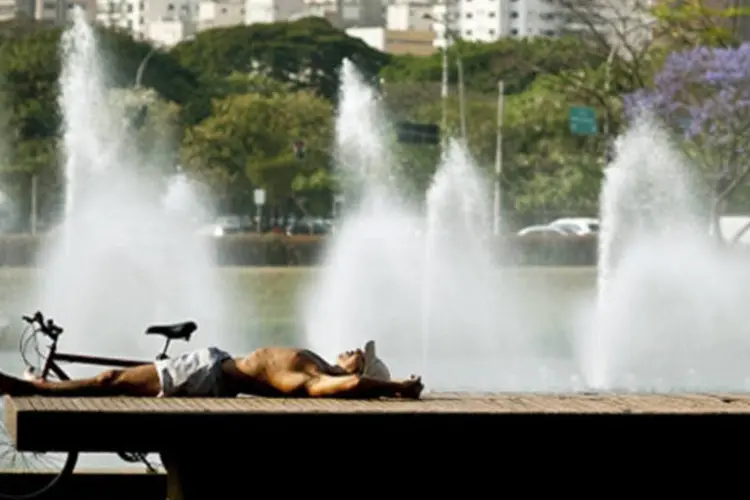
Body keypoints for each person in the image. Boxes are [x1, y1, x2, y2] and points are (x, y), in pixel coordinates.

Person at [0, 340, 424, 400]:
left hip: (210, 375)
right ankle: (38, 386)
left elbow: (349, 384)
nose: (352, 349)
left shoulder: (312, 380)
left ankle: (36, 390)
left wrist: (399, 387)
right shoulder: (315, 367)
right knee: (114, 380)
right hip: (213, 364)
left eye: (359, 354)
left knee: (110, 381)